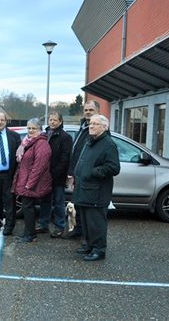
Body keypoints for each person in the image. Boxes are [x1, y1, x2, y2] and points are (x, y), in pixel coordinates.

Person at [73, 115, 120, 261]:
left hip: (97, 192)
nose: (91, 126)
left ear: (104, 127)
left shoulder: (108, 144)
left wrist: (92, 172)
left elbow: (114, 168)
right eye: (91, 123)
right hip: (85, 189)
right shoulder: (91, 141)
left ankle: (99, 249)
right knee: (86, 220)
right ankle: (89, 245)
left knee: (96, 221)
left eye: (95, 124)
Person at [64, 100, 100, 240]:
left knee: (85, 206)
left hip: (87, 175)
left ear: (97, 111)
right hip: (78, 173)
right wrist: (72, 172)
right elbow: (77, 151)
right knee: (78, 203)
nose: (88, 113)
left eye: (91, 110)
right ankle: (78, 230)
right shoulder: (83, 127)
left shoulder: (97, 130)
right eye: (86, 110)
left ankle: (86, 235)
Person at [12, 118, 52, 243]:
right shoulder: (28, 142)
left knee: (28, 208)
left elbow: (39, 167)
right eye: (29, 128)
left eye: (34, 128)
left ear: (39, 129)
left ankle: (30, 235)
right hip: (25, 181)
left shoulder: (42, 144)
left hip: (32, 183)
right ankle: (28, 233)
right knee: (27, 208)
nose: (31, 130)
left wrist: (29, 184)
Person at [36, 111, 72, 238]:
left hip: (57, 176)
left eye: (55, 120)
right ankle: (43, 224)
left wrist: (54, 173)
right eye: (50, 119)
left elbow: (65, 159)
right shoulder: (45, 135)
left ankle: (59, 226)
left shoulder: (65, 137)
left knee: (58, 203)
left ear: (60, 122)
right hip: (44, 176)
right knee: (45, 201)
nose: (52, 122)